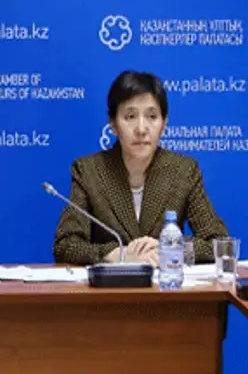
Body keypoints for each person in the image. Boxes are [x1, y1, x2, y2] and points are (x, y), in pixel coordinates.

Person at [53, 70, 228, 266]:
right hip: (113, 284)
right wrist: (115, 254)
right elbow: (65, 245)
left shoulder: (183, 170)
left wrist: (171, 247)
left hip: (165, 283)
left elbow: (219, 243)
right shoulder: (89, 171)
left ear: (164, 124)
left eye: (152, 116)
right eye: (130, 116)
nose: (141, 129)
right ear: (113, 124)